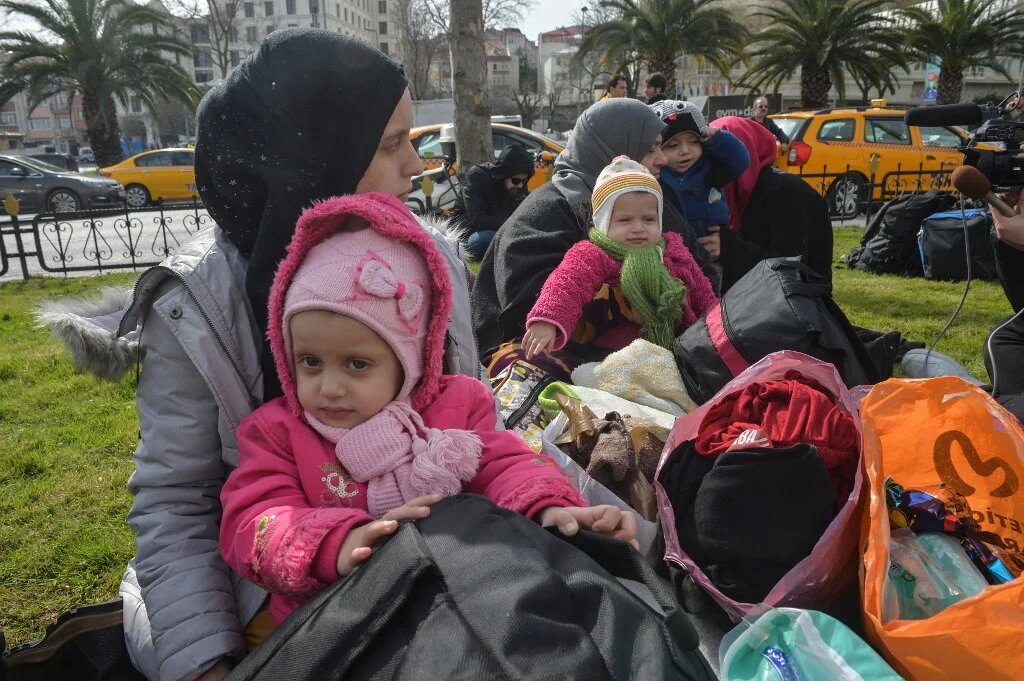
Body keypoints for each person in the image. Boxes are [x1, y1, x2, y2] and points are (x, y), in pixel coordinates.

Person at [42, 30, 480, 681]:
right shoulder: (199, 305)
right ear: (314, 157)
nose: (417, 166)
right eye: (392, 144)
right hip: (259, 589)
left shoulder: (431, 261)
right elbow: (177, 504)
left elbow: (469, 429)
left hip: (421, 562)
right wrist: (205, 663)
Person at [219, 191, 634, 630]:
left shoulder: (457, 405)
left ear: (410, 359)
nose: (329, 387)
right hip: (336, 622)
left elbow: (506, 465)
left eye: (357, 364)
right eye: (310, 361)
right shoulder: (278, 433)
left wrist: (548, 509)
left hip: (454, 604)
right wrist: (335, 543)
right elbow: (255, 519)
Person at [470, 97, 719, 364]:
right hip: (541, 364)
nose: (661, 159)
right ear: (615, 151)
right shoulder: (546, 213)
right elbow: (531, 311)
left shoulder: (651, 203)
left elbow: (702, 276)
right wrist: (642, 299)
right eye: (650, 148)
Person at [521, 157, 716, 363]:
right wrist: (548, 320)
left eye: (649, 219)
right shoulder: (593, 254)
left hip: (677, 349)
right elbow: (566, 285)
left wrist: (717, 327)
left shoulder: (674, 251)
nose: (638, 228)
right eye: (625, 220)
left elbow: (703, 292)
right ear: (603, 222)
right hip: (609, 357)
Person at [709, 116, 833, 293]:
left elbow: (788, 268)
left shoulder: (788, 193)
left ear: (747, 152)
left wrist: (727, 245)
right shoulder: (728, 194)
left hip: (797, 306)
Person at [650, 100, 750, 240]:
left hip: (710, 243)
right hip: (672, 248)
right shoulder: (655, 178)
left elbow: (740, 160)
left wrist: (717, 138)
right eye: (672, 145)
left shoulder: (710, 168)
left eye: (694, 141)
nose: (685, 151)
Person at [450, 143, 534, 259]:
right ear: (504, 175)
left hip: (499, 232)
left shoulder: (517, 188)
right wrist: (514, 222)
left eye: (524, 181)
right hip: (466, 235)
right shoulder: (477, 176)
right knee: (490, 237)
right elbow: (478, 220)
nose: (520, 185)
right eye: (516, 180)